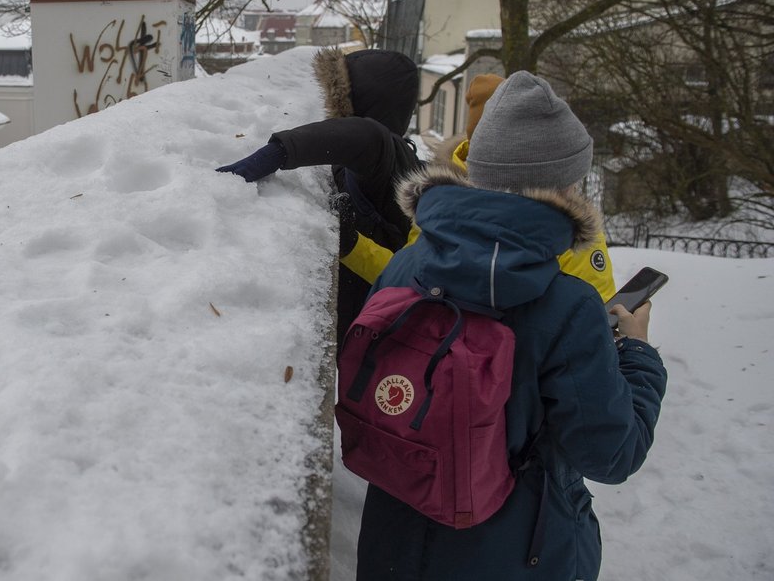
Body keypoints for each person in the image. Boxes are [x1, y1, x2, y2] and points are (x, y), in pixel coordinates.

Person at [357, 71, 667, 580]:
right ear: (564, 184)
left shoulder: (406, 266)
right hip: (516, 552)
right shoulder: (569, 304)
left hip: (396, 542)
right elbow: (613, 453)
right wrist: (637, 353)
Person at [346, 73, 617, 301]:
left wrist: (352, 247)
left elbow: (406, 280)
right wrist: (635, 345)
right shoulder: (563, 233)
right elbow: (596, 335)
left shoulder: (439, 207)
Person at [217, 47, 423, 341]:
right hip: (370, 314)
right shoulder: (393, 158)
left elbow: (363, 134)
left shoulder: (387, 152)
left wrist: (279, 151)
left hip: (374, 324)